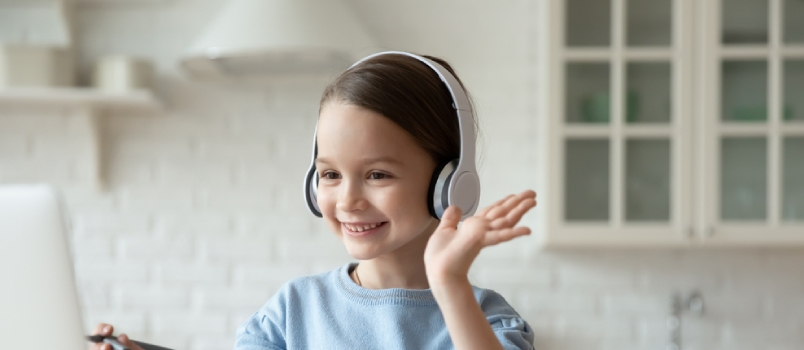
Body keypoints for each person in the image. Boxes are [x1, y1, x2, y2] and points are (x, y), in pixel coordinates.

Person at [91, 52, 537, 350]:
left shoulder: (485, 319)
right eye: (330, 175)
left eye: (377, 174)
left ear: (450, 182)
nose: (348, 199)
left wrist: (449, 283)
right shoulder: (292, 311)